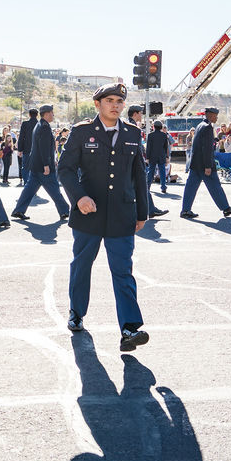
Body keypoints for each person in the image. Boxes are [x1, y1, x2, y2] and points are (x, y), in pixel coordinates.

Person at [58, 82, 150, 352]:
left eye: (119, 101)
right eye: (109, 100)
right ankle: (77, 312)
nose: (115, 105)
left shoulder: (132, 133)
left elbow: (139, 175)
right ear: (97, 104)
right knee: (82, 264)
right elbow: (65, 169)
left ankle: (129, 328)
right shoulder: (81, 131)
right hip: (89, 213)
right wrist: (78, 197)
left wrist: (142, 212)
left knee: (123, 271)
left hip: (122, 213)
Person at [11, 104, 72, 221]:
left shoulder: (40, 125)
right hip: (42, 165)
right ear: (47, 113)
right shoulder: (44, 127)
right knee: (54, 188)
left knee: (29, 189)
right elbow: (43, 148)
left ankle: (19, 210)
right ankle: (65, 210)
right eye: (52, 113)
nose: (53, 115)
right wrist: (46, 164)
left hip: (35, 164)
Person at [180, 107, 231, 219]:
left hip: (196, 163)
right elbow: (207, 148)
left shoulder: (200, 125)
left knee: (191, 187)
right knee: (215, 186)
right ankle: (226, 208)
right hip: (204, 164)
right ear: (210, 115)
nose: (217, 117)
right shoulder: (207, 127)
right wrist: (208, 165)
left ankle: (185, 210)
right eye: (215, 115)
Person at [128, 105, 167, 218]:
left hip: (136, 162)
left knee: (142, 186)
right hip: (135, 163)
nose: (141, 115)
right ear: (135, 114)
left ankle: (150, 209)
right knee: (140, 186)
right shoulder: (131, 126)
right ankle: (150, 210)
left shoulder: (132, 125)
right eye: (140, 113)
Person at [146, 120, 171, 195]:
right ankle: (163, 187)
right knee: (162, 172)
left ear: (154, 127)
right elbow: (166, 147)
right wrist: (167, 156)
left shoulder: (150, 135)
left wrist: (147, 157)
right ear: (161, 127)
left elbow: (148, 147)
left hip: (152, 156)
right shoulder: (164, 135)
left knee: (151, 171)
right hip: (161, 156)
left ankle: (148, 187)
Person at [17, 108, 38, 186]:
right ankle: (34, 186)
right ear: (37, 115)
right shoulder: (40, 124)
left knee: (25, 168)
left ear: (29, 115)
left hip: (27, 149)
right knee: (35, 169)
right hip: (37, 151)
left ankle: (27, 184)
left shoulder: (25, 124)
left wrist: (20, 149)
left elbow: (21, 137)